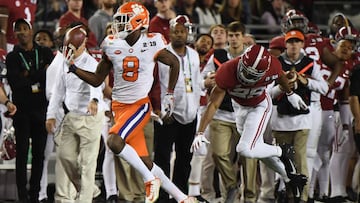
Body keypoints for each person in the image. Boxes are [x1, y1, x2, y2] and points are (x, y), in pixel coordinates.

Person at [66, 2, 196, 203]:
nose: (118, 24)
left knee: (114, 142)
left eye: (122, 20)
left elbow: (174, 62)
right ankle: (182, 197)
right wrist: (73, 68)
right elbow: (97, 79)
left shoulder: (153, 42)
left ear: (138, 22)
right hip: (119, 107)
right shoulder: (111, 43)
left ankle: (149, 180)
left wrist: (169, 94)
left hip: (139, 106)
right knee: (146, 162)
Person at [191, 44, 309, 202]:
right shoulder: (227, 70)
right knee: (257, 149)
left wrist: (290, 93)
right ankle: (289, 177)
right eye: (246, 71)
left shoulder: (272, 66)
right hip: (239, 108)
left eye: (253, 74)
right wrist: (200, 132)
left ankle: (282, 151)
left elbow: (281, 76)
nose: (248, 76)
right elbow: (213, 104)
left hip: (260, 106)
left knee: (245, 149)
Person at [45, 25, 105, 202]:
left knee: (88, 164)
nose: (69, 51)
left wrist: (94, 101)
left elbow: (97, 86)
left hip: (91, 119)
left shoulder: (92, 63)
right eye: (67, 47)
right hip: (72, 115)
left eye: (73, 48)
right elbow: (58, 91)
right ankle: (89, 189)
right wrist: (51, 115)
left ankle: (84, 199)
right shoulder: (64, 62)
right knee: (65, 156)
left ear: (83, 45)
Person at [270, 29, 328, 203]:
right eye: (290, 41)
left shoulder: (310, 63)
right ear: (285, 44)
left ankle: (302, 198)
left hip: (302, 119)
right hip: (280, 120)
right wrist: (284, 86)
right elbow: (268, 94)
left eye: (297, 41)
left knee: (301, 159)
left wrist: (305, 81)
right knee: (284, 161)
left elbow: (324, 88)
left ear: (302, 44)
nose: (293, 45)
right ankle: (287, 193)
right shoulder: (276, 63)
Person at [153, 14, 202, 202]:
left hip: (190, 113)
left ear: (187, 33)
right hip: (168, 115)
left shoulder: (194, 54)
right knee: (163, 158)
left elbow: (196, 83)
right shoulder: (161, 53)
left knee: (185, 158)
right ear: (170, 33)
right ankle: (162, 197)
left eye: (182, 31)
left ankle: (180, 195)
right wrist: (159, 108)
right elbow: (155, 82)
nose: (179, 35)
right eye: (176, 32)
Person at [6, 18, 54, 203]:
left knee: (39, 155)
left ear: (31, 30)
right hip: (22, 111)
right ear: (15, 34)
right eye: (18, 30)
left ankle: (34, 195)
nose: (22, 32)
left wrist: (29, 75)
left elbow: (52, 76)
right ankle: (22, 197)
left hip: (41, 109)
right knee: (22, 153)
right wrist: (40, 74)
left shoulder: (44, 51)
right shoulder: (12, 56)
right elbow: (16, 83)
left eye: (25, 28)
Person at [200, 21, 247, 202]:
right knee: (219, 155)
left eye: (237, 35)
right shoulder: (218, 55)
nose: (234, 39)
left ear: (243, 36)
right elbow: (205, 76)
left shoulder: (251, 56)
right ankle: (231, 187)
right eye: (231, 35)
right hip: (221, 112)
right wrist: (208, 80)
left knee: (245, 160)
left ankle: (246, 196)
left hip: (245, 113)